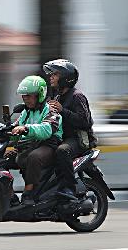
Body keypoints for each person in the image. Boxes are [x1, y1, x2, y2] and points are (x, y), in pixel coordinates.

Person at [43, 59, 97, 199]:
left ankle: (68, 188)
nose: (51, 77)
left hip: (77, 139)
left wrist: (62, 111)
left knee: (63, 151)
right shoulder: (58, 96)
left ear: (65, 78)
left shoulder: (77, 96)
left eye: (54, 74)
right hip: (62, 137)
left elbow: (85, 122)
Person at [11, 75, 63, 206]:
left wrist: (26, 128)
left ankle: (29, 193)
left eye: (29, 95)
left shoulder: (51, 111)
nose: (25, 99)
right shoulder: (26, 112)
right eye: (24, 96)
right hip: (32, 144)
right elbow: (16, 126)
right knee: (3, 158)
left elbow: (47, 129)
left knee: (34, 157)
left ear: (39, 94)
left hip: (49, 145)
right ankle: (8, 194)